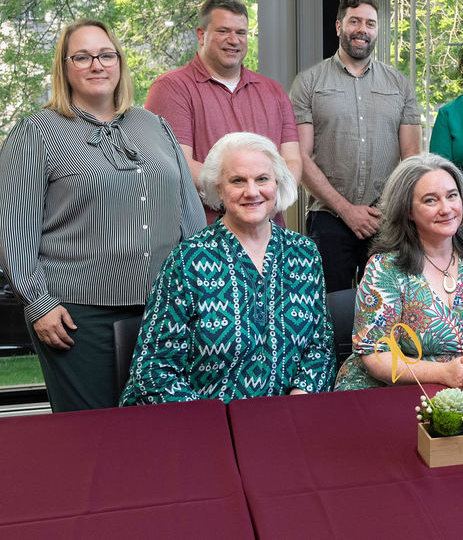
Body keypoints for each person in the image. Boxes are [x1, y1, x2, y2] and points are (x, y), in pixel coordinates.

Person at [0, 19, 205, 412]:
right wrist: (39, 302)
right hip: (76, 318)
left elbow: (189, 214)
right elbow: (12, 229)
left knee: (165, 429)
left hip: (165, 311)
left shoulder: (154, 125)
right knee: (94, 436)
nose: (97, 65)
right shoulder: (37, 132)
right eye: (83, 57)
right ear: (65, 67)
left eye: (106, 55)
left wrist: (202, 288)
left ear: (120, 62)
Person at [121, 133, 334, 404]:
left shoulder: (304, 253)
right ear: (219, 189)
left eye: (262, 179)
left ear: (277, 182)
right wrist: (214, 423)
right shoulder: (188, 261)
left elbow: (320, 348)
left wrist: (296, 406)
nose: (252, 191)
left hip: (285, 419)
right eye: (237, 181)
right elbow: (152, 371)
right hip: (201, 424)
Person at [334, 154, 463, 390]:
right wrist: (442, 372)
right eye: (431, 201)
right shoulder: (384, 268)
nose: (446, 209)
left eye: (452, 196)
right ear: (408, 211)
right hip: (389, 390)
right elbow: (376, 354)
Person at [291, 0, 422, 292]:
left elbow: (412, 155)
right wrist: (346, 210)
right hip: (329, 218)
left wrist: (390, 209)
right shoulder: (309, 82)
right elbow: (300, 156)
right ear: (339, 26)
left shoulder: (399, 85)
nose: (362, 29)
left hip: (387, 219)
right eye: (355, 21)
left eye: (370, 23)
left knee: (389, 307)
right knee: (328, 308)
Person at [145, 0, 302, 225]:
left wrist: (270, 202)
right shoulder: (171, 88)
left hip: (270, 234)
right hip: (204, 238)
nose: (234, 39)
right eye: (223, 31)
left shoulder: (273, 91)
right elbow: (178, 163)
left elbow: (292, 160)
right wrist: (247, 200)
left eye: (240, 32)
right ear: (201, 35)